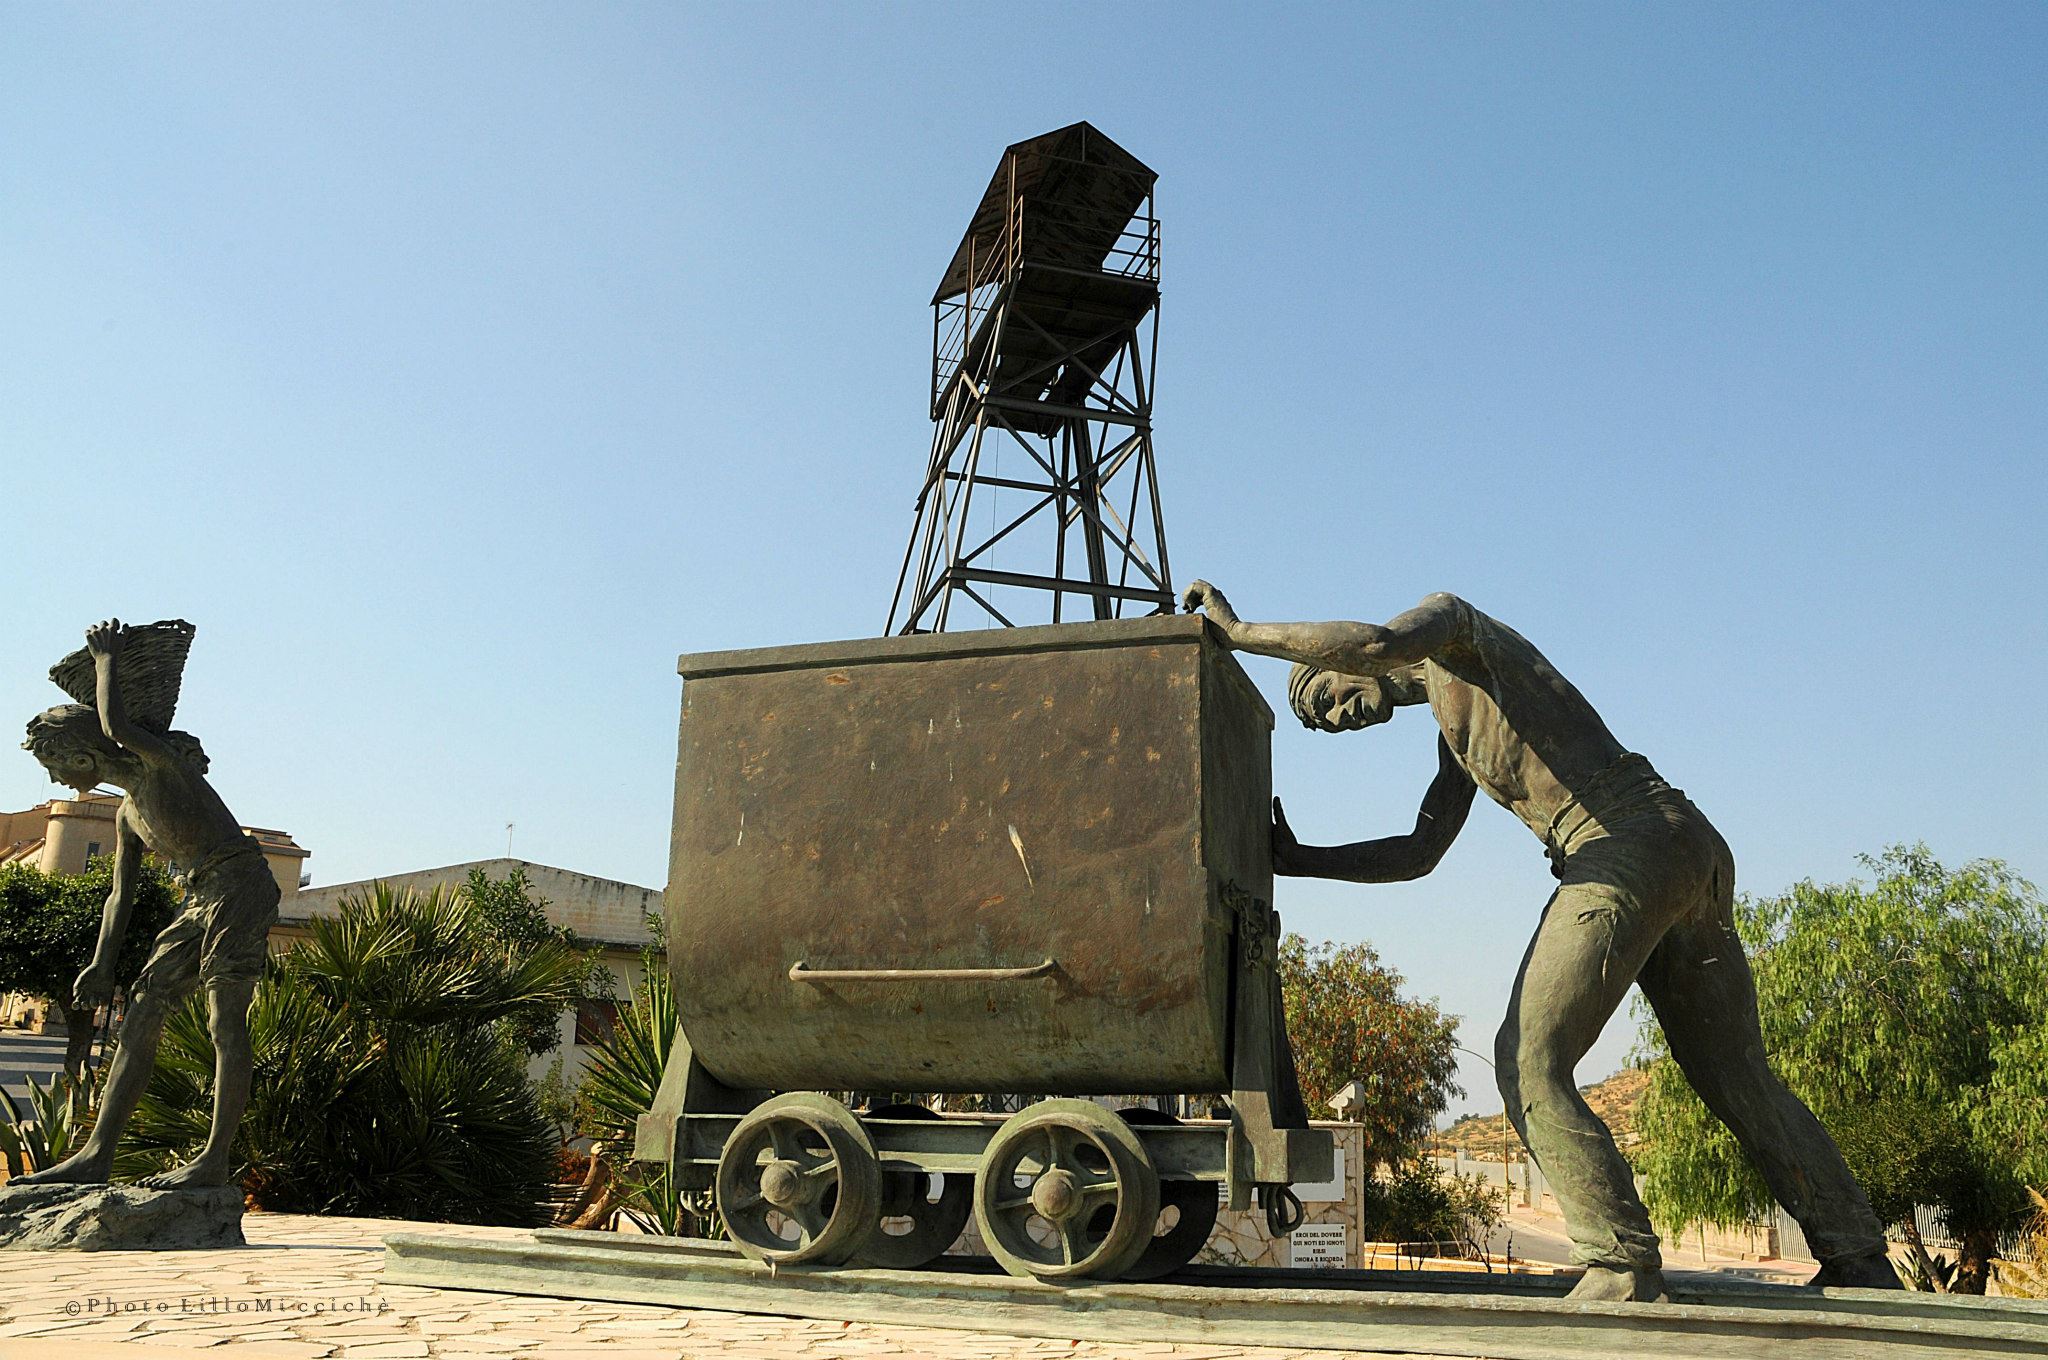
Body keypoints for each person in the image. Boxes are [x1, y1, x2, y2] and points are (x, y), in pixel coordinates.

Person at [1181, 581, 1897, 1300]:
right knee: (1738, 1079)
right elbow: (1417, 852)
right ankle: (1859, 1257)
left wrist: (1240, 633)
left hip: (1628, 840)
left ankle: (1620, 1263)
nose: (1334, 716)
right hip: (1680, 850)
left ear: (1336, 660)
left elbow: (1376, 643)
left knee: (1527, 1063)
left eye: (1323, 695)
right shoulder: (1453, 727)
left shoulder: (1456, 628)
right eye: (1322, 721)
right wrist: (1304, 860)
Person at [15, 619, 279, 1190]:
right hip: (200, 898)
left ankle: (213, 1161)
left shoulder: (160, 765)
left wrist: (106, 658)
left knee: (223, 1021)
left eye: (56, 766)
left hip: (240, 885)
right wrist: (101, 963)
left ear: (84, 755)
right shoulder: (127, 813)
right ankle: (97, 1155)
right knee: (141, 1006)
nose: (59, 780)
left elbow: (117, 724)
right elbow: (120, 895)